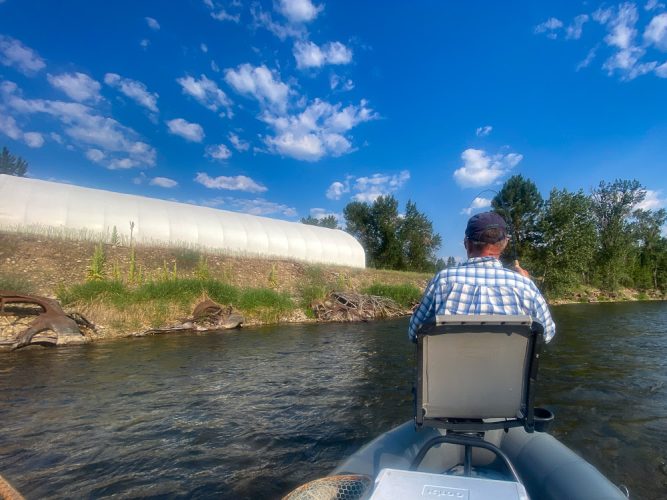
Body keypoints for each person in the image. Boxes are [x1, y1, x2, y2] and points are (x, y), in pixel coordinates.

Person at [408, 211, 555, 342]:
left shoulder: (443, 279)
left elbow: (414, 333)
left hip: (448, 372)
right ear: (504, 244)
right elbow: (547, 334)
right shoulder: (524, 285)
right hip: (506, 373)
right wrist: (526, 280)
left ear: (467, 244)